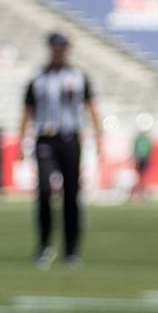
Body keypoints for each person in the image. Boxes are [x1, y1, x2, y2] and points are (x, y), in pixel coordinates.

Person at [18, 32, 102, 269]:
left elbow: (91, 107)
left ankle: (72, 250)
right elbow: (28, 111)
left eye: (63, 48)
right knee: (44, 191)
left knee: (71, 195)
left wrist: (99, 136)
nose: (59, 52)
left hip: (70, 139)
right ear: (50, 49)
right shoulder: (38, 79)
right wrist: (21, 139)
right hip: (45, 138)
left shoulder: (78, 77)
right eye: (56, 48)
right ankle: (44, 246)